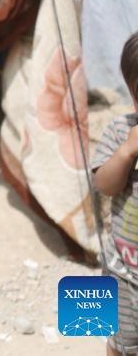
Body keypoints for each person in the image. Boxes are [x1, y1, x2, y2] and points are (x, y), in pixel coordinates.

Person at [92, 31, 138, 356]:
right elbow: (103, 185)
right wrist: (126, 153)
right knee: (119, 342)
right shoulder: (121, 131)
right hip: (122, 270)